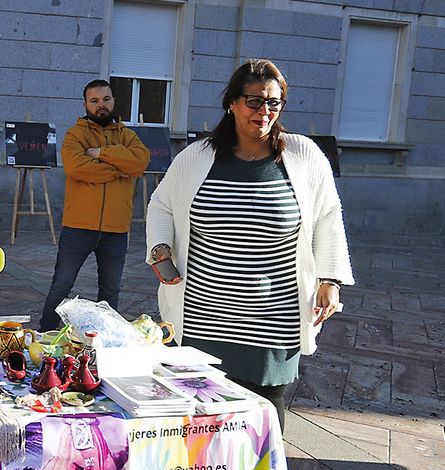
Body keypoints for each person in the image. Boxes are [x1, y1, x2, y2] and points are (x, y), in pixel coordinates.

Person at [146, 59, 352, 429]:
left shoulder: (303, 155)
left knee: (263, 422)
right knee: (198, 420)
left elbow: (328, 216)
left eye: (274, 102)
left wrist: (330, 280)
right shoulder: (197, 156)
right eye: (254, 101)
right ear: (232, 103)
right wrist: (161, 250)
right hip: (202, 317)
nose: (264, 111)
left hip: (273, 320)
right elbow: (162, 204)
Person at [37, 79, 150, 331]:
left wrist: (100, 153)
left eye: (106, 99)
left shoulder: (128, 136)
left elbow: (141, 162)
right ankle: (44, 333)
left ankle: (104, 339)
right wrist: (121, 168)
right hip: (78, 227)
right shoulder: (75, 135)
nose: (101, 105)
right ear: (85, 104)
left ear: (114, 101)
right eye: (95, 100)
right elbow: (77, 168)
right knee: (61, 286)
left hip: (116, 230)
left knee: (110, 292)